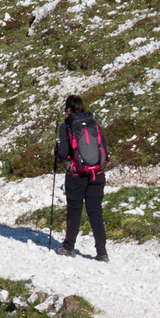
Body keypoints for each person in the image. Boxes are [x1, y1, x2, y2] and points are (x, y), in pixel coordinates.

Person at [56, 94, 110, 261]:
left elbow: (64, 153)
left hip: (76, 176)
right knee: (95, 211)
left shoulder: (66, 126)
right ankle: (102, 252)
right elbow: (105, 152)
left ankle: (69, 247)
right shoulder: (94, 124)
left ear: (68, 109)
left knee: (74, 210)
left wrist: (56, 152)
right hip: (96, 174)